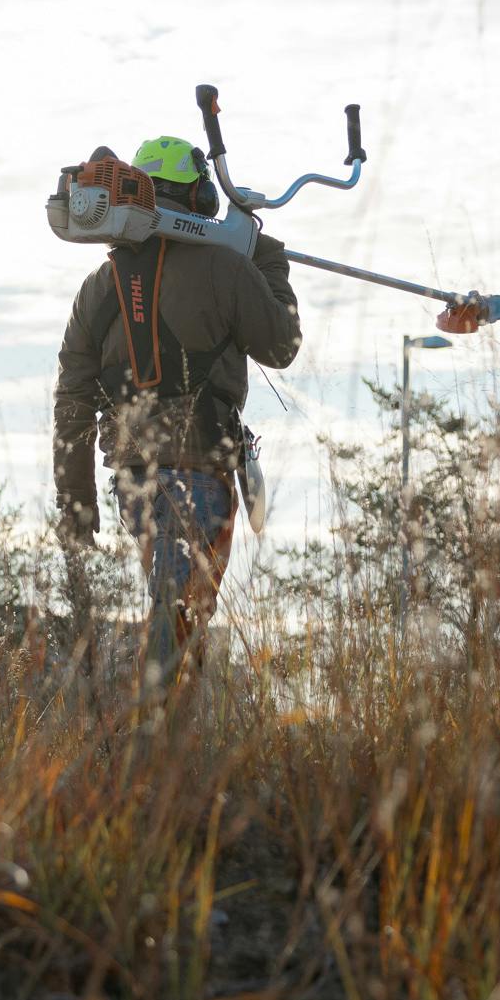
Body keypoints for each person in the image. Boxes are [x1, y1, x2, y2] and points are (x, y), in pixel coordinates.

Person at [53, 136, 302, 697]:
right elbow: (282, 345)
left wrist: (77, 507)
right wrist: (266, 259)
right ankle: (152, 742)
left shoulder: (97, 288)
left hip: (131, 484)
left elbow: (71, 404)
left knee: (177, 609)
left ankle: (167, 743)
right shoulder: (225, 268)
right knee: (180, 615)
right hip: (202, 473)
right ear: (201, 197)